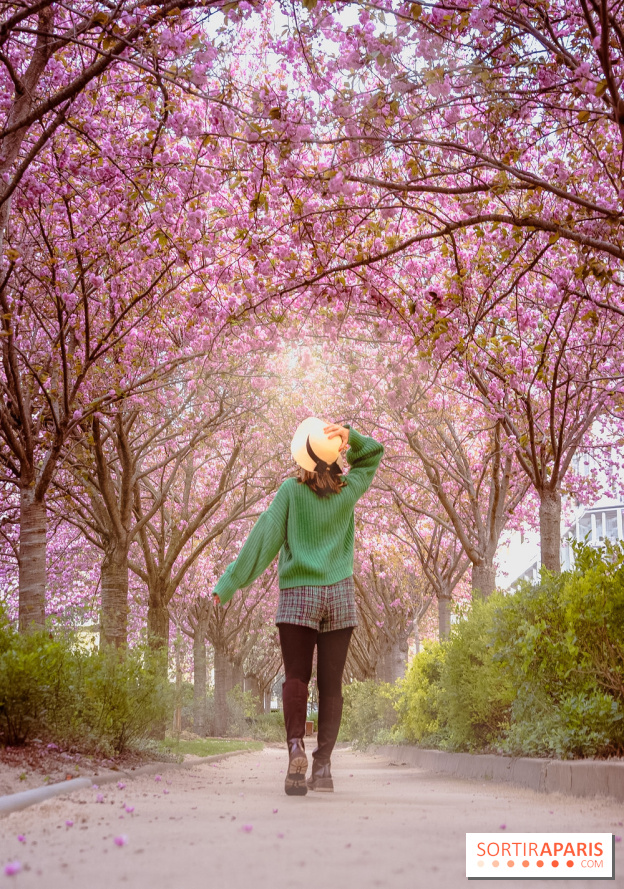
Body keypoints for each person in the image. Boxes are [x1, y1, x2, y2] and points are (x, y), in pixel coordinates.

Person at [211, 418, 384, 796]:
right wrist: (350, 435)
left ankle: (295, 749)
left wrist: (229, 583)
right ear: (334, 457)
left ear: (303, 458)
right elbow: (372, 454)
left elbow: (264, 537)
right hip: (339, 596)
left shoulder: (290, 492)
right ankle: (322, 768)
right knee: (331, 685)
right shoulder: (348, 489)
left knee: (296, 678)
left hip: (299, 595)